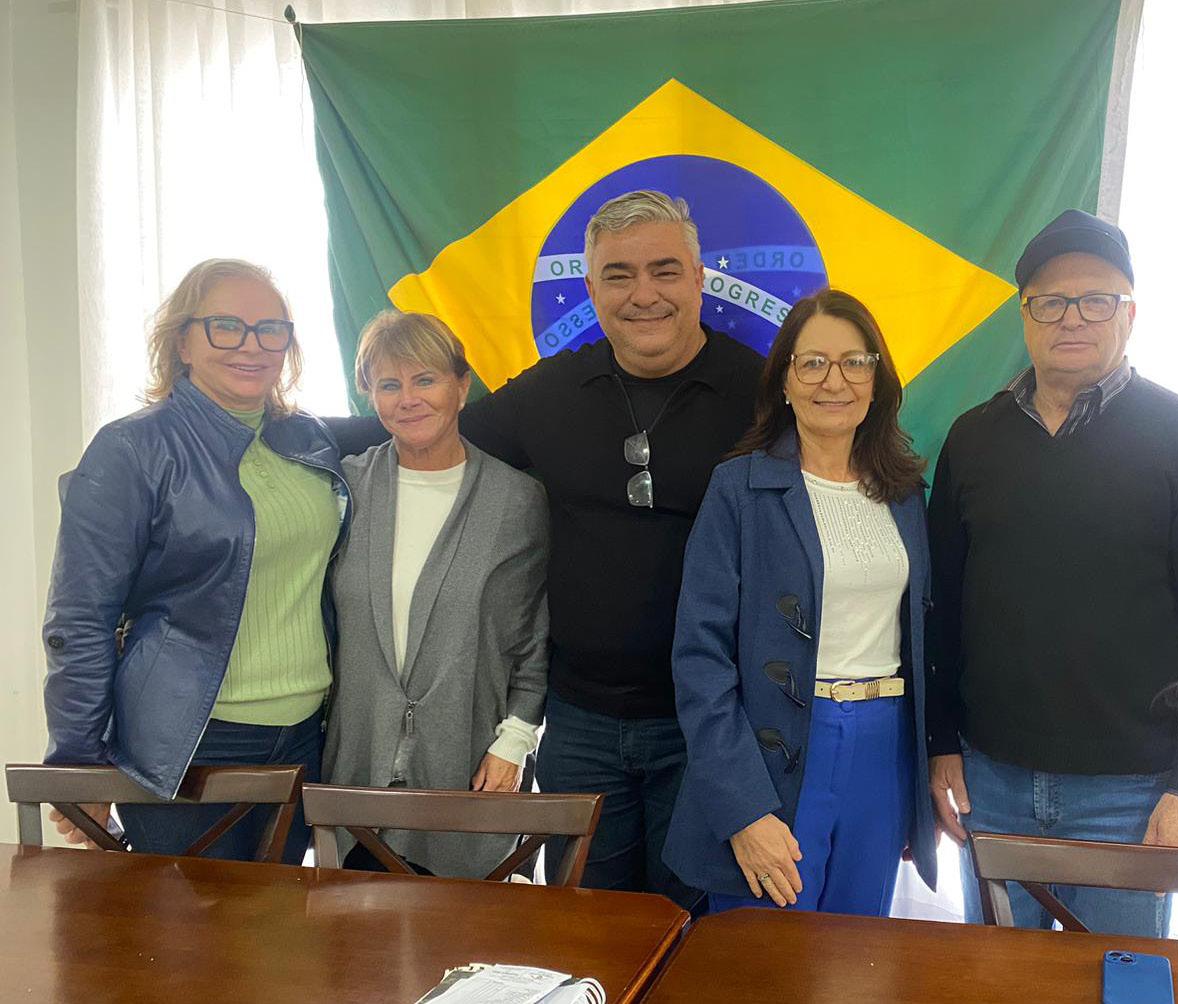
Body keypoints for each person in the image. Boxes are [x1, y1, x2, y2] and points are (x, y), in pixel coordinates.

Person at [330, 191, 762, 906]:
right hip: (580, 724)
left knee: (698, 930)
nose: (643, 294)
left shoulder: (764, 394)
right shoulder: (553, 390)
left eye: (664, 270)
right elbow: (429, 425)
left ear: (698, 277)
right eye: (618, 275)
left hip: (711, 723)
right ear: (590, 288)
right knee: (583, 926)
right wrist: (280, 435)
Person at [926, 210, 1178, 934]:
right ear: (1024, 316)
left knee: (1118, 981)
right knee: (995, 983)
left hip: (1132, 795)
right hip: (992, 782)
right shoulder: (974, 438)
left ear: (1130, 314)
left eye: (1096, 300)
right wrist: (941, 743)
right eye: (1050, 302)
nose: (1071, 318)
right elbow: (942, 608)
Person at [41, 258, 349, 862]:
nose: (251, 345)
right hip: (189, 742)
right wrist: (79, 762)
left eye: (270, 329)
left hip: (305, 735)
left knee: (282, 920)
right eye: (225, 326)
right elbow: (79, 618)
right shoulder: (132, 448)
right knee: (188, 925)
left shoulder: (308, 438)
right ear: (182, 340)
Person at [665, 288, 937, 914]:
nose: (833, 381)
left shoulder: (904, 493)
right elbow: (699, 660)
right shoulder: (739, 489)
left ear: (877, 380)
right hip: (773, 758)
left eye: (854, 362)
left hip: (884, 750)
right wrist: (742, 809)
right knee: (765, 953)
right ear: (784, 382)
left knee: (857, 953)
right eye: (812, 363)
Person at [322, 310, 550, 877]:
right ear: (370, 395)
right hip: (357, 768)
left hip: (471, 767)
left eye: (425, 380)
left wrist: (515, 740)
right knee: (350, 927)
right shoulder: (345, 488)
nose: (408, 400)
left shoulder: (516, 500)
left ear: (462, 386)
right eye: (389, 384)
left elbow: (532, 635)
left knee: (459, 928)